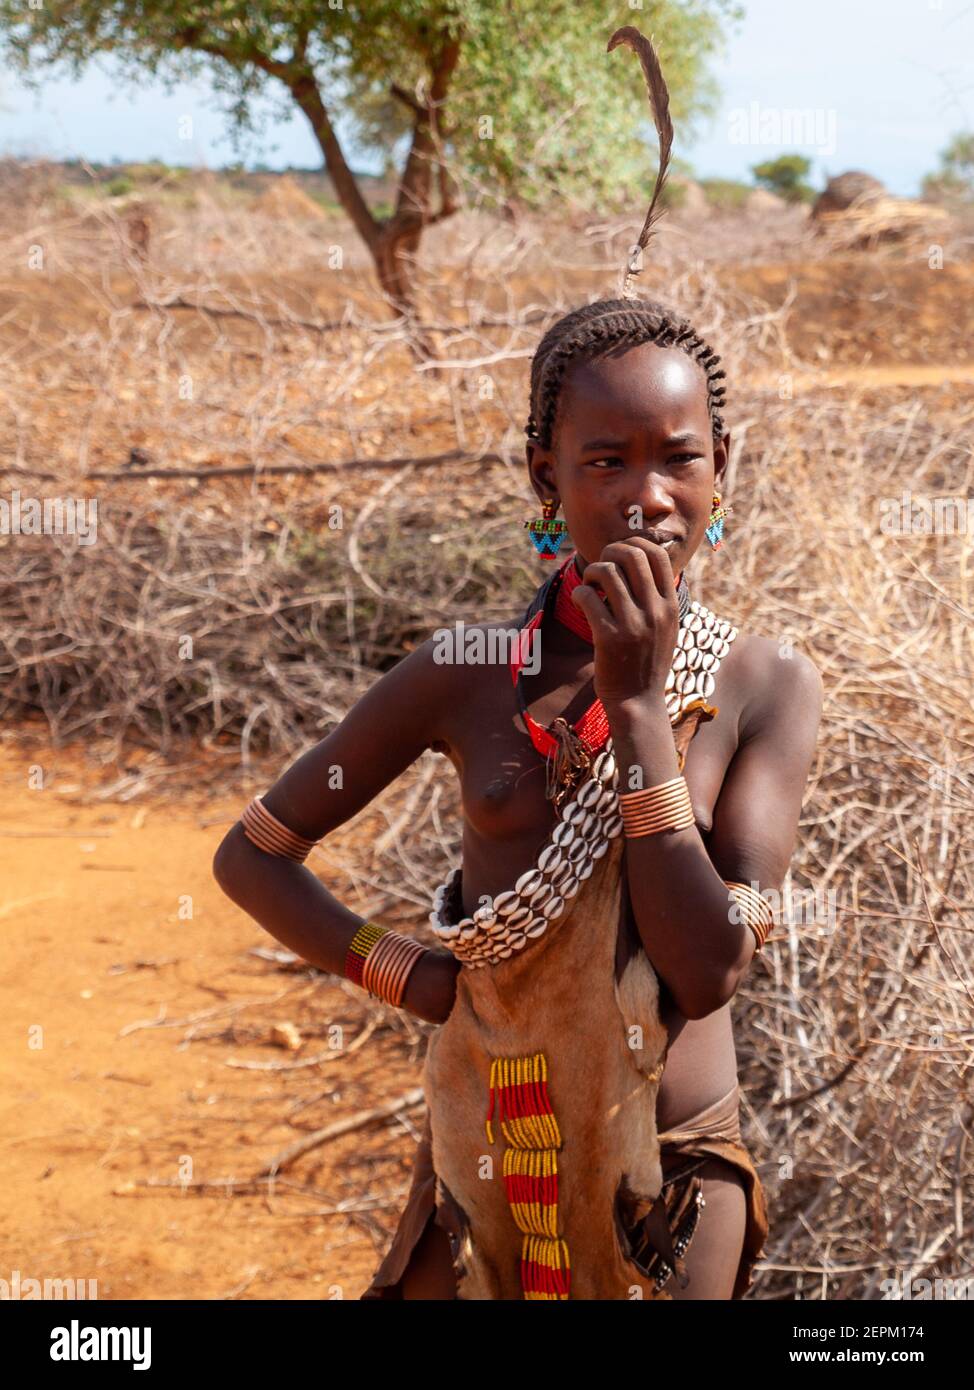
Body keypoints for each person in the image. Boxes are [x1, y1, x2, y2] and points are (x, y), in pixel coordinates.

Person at [212, 28, 823, 1300]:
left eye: (678, 458)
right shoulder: (465, 672)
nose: (646, 496)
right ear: (542, 475)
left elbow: (710, 964)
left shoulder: (762, 687)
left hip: (669, 1187)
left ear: (724, 469)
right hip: (487, 1156)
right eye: (605, 461)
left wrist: (641, 708)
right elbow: (252, 855)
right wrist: (410, 973)